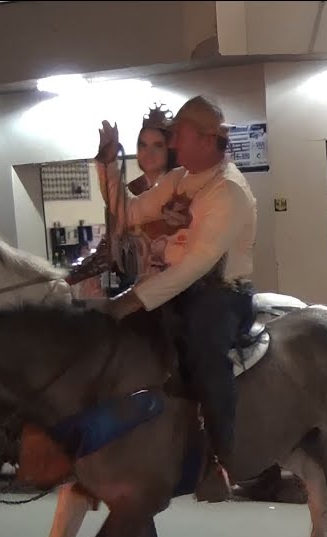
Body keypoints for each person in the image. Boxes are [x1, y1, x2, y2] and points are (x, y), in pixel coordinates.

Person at [93, 95, 258, 501]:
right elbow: (128, 212)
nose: (172, 145)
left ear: (205, 140)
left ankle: (222, 459)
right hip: (177, 288)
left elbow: (197, 264)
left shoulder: (229, 191)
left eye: (178, 136)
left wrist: (134, 299)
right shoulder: (179, 179)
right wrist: (108, 164)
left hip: (221, 295)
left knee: (206, 352)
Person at [67, 104, 179, 292]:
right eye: (143, 145)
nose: (148, 153)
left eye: (158, 145)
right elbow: (112, 243)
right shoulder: (132, 190)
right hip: (134, 285)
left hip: (171, 287)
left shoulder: (181, 187)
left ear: (170, 149)